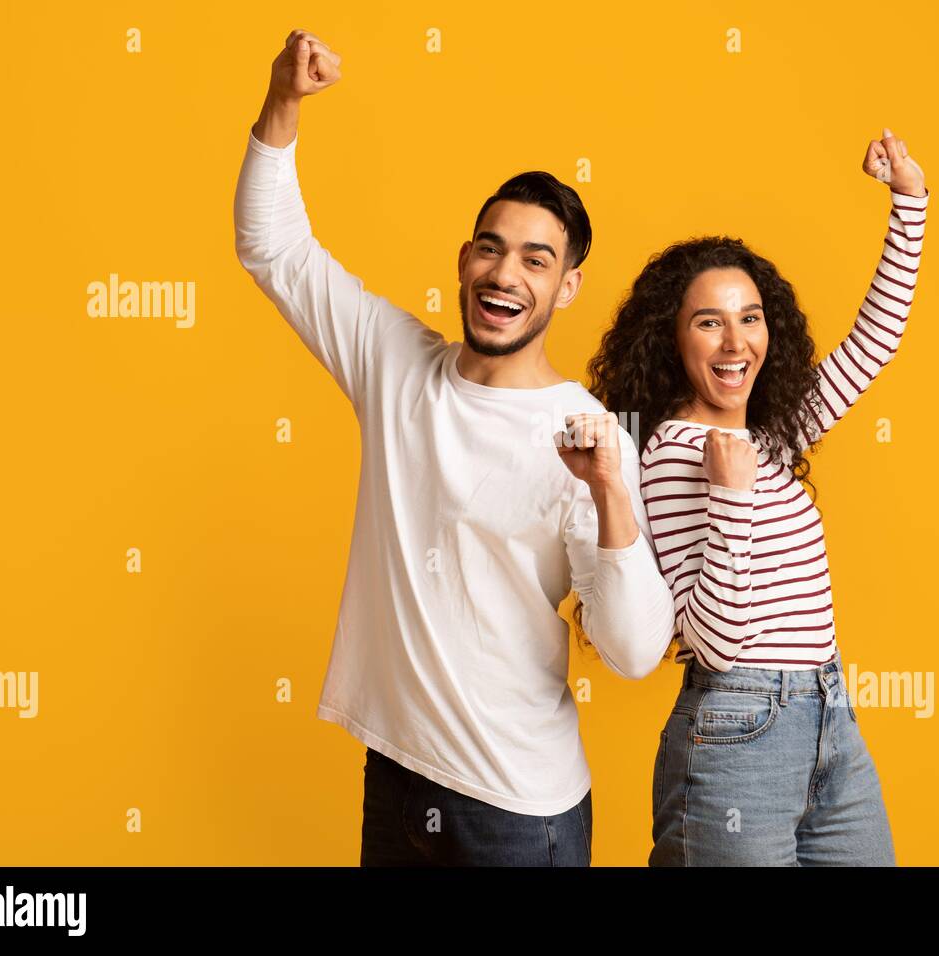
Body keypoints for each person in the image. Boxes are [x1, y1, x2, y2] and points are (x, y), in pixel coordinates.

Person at [233, 29, 675, 866]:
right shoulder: (396, 364)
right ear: (464, 259)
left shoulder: (587, 437)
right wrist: (282, 101)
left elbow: (632, 648)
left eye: (536, 261)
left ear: (566, 287)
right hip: (397, 774)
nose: (505, 274)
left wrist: (612, 490)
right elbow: (274, 247)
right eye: (490, 248)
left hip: (514, 811)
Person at [583, 128, 929, 865]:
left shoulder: (771, 435)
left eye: (750, 317)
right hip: (737, 728)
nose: (735, 341)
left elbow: (875, 344)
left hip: (829, 713)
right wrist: (730, 498)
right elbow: (715, 641)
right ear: (673, 341)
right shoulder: (674, 453)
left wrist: (908, 202)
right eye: (709, 321)